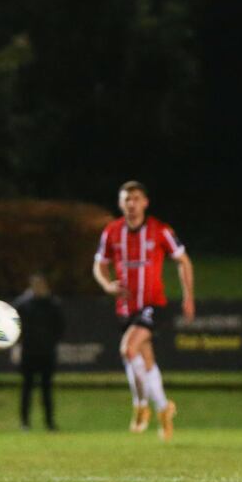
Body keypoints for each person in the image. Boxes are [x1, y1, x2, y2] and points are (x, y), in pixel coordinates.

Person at [93, 180, 195, 441]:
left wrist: (188, 297)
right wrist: (107, 285)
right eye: (127, 199)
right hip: (125, 307)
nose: (131, 203)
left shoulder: (160, 231)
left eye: (136, 198)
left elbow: (183, 260)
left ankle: (140, 405)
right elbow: (99, 265)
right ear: (120, 203)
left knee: (128, 349)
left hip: (153, 305)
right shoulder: (112, 232)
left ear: (145, 203)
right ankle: (163, 408)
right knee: (145, 362)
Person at [14, 273, 65, 431]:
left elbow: (60, 326)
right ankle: (25, 423)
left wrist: (51, 342)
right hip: (29, 353)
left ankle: (49, 423)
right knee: (26, 389)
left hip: (46, 353)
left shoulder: (53, 304)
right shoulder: (23, 304)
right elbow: (14, 326)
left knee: (47, 390)